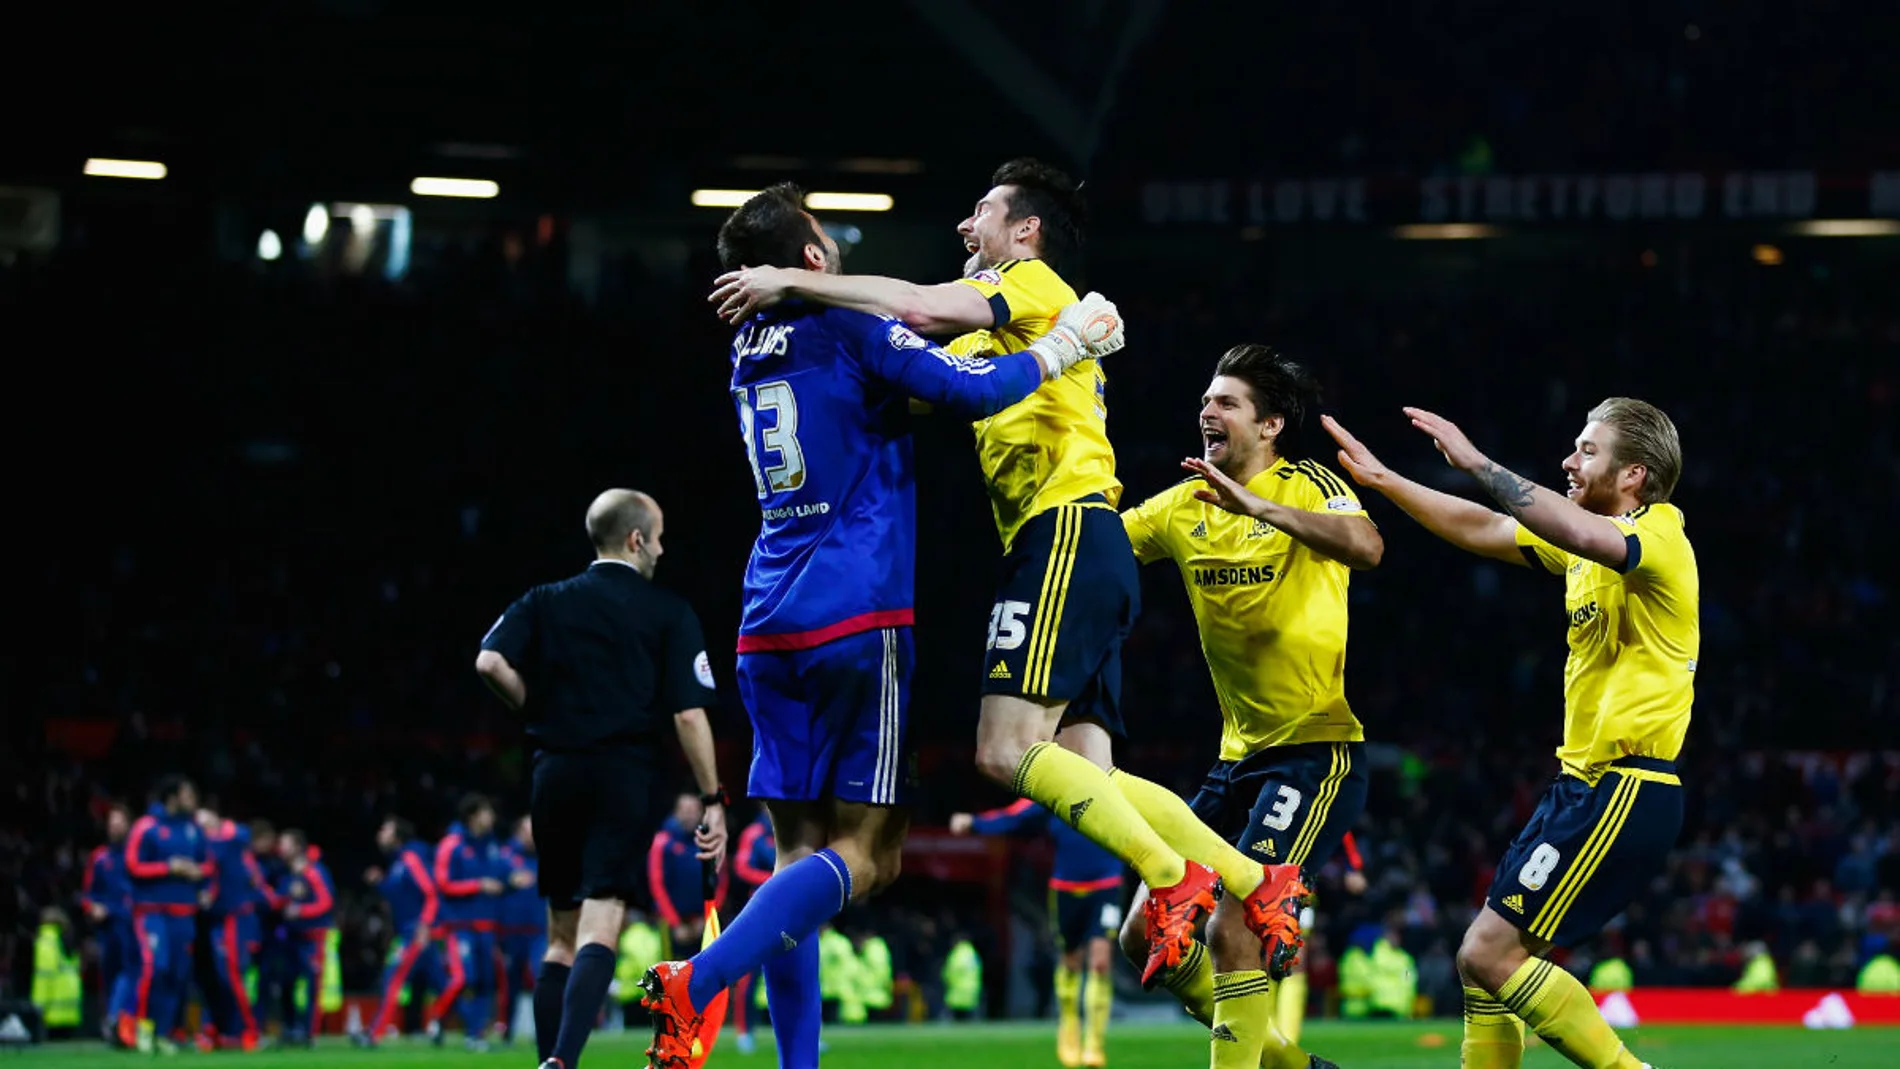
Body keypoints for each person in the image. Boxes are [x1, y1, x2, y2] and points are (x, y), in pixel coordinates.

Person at [709, 160, 1275, 992]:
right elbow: (940, 379)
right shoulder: (1001, 335)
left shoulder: (1033, 280)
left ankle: (1172, 876)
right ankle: (1256, 881)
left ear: (1026, 231)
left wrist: (788, 279)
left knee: (1004, 750)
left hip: (1063, 533)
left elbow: (915, 306)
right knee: (1092, 778)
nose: (966, 227)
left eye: (982, 211)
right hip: (1073, 540)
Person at [642, 181, 1123, 1069]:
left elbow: (898, 400)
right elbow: (966, 388)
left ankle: (798, 1065)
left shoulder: (748, 343)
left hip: (765, 621)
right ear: (812, 259)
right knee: (870, 858)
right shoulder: (851, 325)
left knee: (797, 860)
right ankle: (698, 979)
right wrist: (1059, 349)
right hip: (857, 616)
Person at [1323, 398, 1693, 1069]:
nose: (1568, 460)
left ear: (1634, 474)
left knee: (1488, 954)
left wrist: (1475, 460)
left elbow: (1571, 529)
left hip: (1624, 785)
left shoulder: (1658, 535)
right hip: (1582, 787)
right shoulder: (1587, 543)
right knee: (1480, 966)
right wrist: (1386, 481)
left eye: (1587, 450)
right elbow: (1487, 526)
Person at [1117, 345, 1380, 1069]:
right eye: (1206, 398)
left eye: (1227, 401)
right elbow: (1101, 550)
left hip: (1315, 751)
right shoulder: (1181, 504)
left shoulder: (1307, 484)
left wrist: (1258, 505)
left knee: (1235, 925)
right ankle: (1297, 1067)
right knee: (1143, 933)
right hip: (1235, 759)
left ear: (1268, 426)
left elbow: (1367, 544)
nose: (1208, 410)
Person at [476, 488, 728, 1069]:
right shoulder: (668, 611)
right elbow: (689, 714)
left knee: (559, 937)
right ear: (636, 538)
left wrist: (529, 707)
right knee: (602, 923)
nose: (663, 550)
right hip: (622, 778)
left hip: (554, 774)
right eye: (659, 536)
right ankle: (563, 1060)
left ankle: (548, 1060)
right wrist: (712, 797)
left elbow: (489, 661)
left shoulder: (545, 600)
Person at [951, 801, 1122, 1067]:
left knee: (1100, 962)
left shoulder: (1112, 786)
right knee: (1071, 960)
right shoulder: (1055, 791)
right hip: (1065, 888)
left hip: (1107, 885)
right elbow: (1013, 816)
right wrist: (974, 822)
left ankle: (1094, 1045)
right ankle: (1069, 1025)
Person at [122, 774, 207, 1053]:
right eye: (188, 794)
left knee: (177, 974)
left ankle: (164, 1032)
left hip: (184, 912)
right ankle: (141, 1029)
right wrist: (168, 867)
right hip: (152, 911)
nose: (193, 800)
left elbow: (206, 865)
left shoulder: (193, 829)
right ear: (173, 797)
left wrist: (201, 879)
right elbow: (132, 865)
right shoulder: (146, 827)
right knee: (155, 966)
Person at [431, 794, 508, 1052]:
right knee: (464, 977)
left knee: (486, 980)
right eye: (487, 812)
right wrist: (478, 885)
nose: (492, 818)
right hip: (459, 925)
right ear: (473, 815)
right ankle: (437, 1017)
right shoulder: (451, 844)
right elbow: (442, 883)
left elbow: (500, 876)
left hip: (486, 924)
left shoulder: (491, 845)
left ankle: (475, 1034)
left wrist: (511, 880)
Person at [360, 815, 444, 1044]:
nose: (380, 834)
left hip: (415, 932)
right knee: (441, 983)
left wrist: (424, 925)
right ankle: (465, 1028)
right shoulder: (398, 863)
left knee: (393, 978)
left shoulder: (410, 859)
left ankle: (374, 1034)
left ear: (397, 836)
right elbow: (401, 897)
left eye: (385, 829)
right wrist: (380, 883)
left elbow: (430, 892)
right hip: (411, 931)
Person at [197, 805, 264, 1049]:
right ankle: (215, 1029)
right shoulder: (205, 847)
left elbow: (242, 836)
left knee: (232, 975)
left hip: (235, 918)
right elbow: (210, 876)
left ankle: (248, 1029)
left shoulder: (233, 839)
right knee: (214, 977)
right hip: (213, 919)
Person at [275, 828, 336, 1046]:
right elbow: (280, 900)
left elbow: (326, 902)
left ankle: (310, 1034)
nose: (280, 848)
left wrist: (301, 911)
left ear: (298, 847)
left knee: (312, 984)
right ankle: (291, 1028)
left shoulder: (314, 871)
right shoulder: (287, 874)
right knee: (286, 983)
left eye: (285, 844)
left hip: (313, 937)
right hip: (292, 937)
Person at [80, 803, 134, 1046]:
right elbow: (87, 894)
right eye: (111, 823)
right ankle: (113, 1024)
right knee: (109, 976)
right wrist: (93, 908)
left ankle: (118, 1020)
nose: (115, 827)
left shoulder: (137, 853)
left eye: (119, 822)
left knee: (129, 972)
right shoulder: (99, 857)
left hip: (133, 923)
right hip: (108, 927)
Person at [649, 793, 725, 955]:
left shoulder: (710, 840)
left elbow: (721, 882)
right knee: (670, 972)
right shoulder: (663, 842)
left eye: (693, 810)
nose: (689, 815)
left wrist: (707, 918)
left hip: (703, 922)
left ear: (701, 813)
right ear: (676, 813)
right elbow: (657, 885)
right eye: (684, 810)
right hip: (671, 923)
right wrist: (675, 923)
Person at [499, 815, 545, 1046]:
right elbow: (493, 885)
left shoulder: (546, 856)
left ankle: (545, 1030)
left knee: (541, 976)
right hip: (511, 930)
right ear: (518, 831)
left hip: (540, 929)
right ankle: (507, 1029)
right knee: (511, 981)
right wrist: (508, 882)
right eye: (529, 828)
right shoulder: (503, 856)